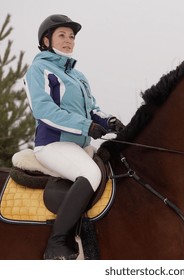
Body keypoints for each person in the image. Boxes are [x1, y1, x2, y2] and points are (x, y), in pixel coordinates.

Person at [23, 14, 124, 260]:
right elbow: (44, 110)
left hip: (78, 147)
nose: (68, 41)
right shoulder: (39, 70)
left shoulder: (78, 77)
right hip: (53, 145)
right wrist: (86, 126)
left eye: (71, 37)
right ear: (46, 40)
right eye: (62, 35)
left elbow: (92, 108)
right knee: (91, 173)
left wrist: (107, 121)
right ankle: (57, 243)